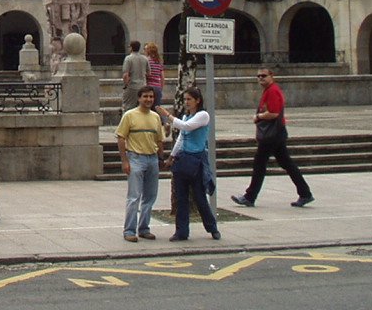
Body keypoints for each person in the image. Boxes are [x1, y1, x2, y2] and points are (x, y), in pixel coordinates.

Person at [231, 68, 314, 208]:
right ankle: (305, 193)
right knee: (286, 163)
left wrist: (258, 117)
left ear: (271, 76)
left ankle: (250, 196)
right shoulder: (269, 90)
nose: (260, 78)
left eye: (263, 76)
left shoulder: (273, 91)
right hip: (276, 134)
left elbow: (274, 113)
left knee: (260, 164)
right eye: (258, 76)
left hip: (272, 135)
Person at [156, 87, 221, 241]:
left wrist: (167, 115)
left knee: (200, 197)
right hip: (183, 158)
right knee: (181, 197)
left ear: (197, 100)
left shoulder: (203, 116)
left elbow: (186, 127)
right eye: (185, 100)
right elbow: (181, 137)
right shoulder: (185, 116)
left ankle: (212, 227)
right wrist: (171, 156)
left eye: (189, 99)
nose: (186, 103)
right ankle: (181, 231)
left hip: (196, 159)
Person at [115, 85, 165, 242]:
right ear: (139, 98)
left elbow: (159, 139)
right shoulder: (130, 115)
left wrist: (161, 157)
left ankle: (144, 228)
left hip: (152, 159)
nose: (149, 99)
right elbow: (121, 138)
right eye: (145, 97)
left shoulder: (155, 117)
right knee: (134, 196)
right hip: (135, 158)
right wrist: (125, 160)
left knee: (150, 196)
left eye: (151, 97)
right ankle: (129, 230)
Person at [121, 40, 149, 113]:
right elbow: (149, 72)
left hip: (132, 86)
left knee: (128, 107)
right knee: (142, 107)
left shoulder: (128, 58)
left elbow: (125, 74)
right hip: (143, 85)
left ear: (131, 48)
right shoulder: (145, 58)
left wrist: (125, 85)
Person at [144, 42, 165, 107]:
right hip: (158, 87)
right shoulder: (159, 61)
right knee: (157, 107)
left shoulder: (147, 61)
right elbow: (162, 77)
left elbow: (146, 74)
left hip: (149, 86)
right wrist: (161, 88)